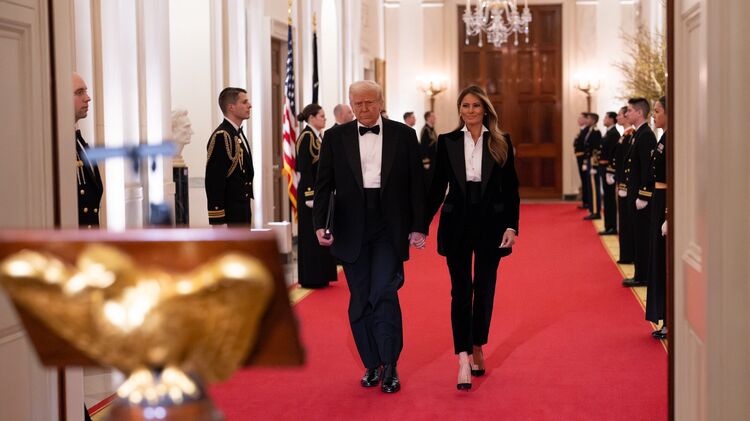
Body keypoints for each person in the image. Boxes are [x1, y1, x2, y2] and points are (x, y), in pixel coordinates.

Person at [313, 80, 426, 394]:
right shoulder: (335, 137)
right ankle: (371, 363)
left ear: (380, 102)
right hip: (351, 226)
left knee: (385, 292)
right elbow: (323, 185)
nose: (364, 109)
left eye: (369, 102)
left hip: (389, 226)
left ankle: (390, 364)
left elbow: (417, 184)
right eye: (358, 103)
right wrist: (320, 224)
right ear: (351, 104)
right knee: (361, 297)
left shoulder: (404, 135)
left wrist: (418, 225)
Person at [426, 85, 520, 391]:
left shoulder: (501, 141)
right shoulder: (447, 141)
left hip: (491, 223)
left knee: (485, 289)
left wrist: (511, 226)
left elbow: (511, 189)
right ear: (459, 110)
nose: (470, 110)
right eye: (465, 106)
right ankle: (463, 357)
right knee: (461, 291)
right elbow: (436, 186)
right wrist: (420, 225)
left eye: (476, 106)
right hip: (457, 222)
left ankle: (478, 343)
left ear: (485, 110)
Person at [295, 104, 338, 288]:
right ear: (311, 118)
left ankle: (323, 274)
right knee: (311, 236)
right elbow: (304, 169)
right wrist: (310, 195)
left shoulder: (317, 136)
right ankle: (312, 277)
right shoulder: (306, 137)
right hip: (310, 195)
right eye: (321, 115)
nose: (324, 118)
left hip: (320, 194)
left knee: (322, 232)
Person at [205, 87, 254, 226]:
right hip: (230, 214)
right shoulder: (222, 136)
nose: (249, 105)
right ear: (231, 107)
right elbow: (214, 180)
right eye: (244, 102)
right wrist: (218, 219)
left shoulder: (235, 133)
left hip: (241, 210)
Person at [622, 98, 657, 287]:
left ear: (639, 112)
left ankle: (642, 276)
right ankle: (640, 274)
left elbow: (648, 169)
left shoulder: (646, 136)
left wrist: (643, 194)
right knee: (637, 235)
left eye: (629, 110)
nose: (626, 114)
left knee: (642, 237)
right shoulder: (638, 134)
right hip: (634, 194)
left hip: (640, 198)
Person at [646, 96, 668, 339]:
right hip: (658, 199)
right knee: (658, 259)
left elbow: (675, 179)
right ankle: (663, 316)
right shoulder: (663, 138)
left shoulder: (673, 139)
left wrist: (670, 214)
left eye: (658, 111)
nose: (654, 115)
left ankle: (669, 320)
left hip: (666, 202)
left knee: (665, 262)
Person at [73, 72, 103, 229]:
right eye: (79, 93)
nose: (88, 98)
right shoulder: (60, 145)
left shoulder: (79, 142)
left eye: (85, 91)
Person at [610, 106, 635, 264]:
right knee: (623, 220)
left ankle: (628, 254)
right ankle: (625, 254)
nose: (617, 117)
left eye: (620, 115)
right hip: (620, 181)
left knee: (626, 221)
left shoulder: (630, 135)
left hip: (625, 183)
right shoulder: (624, 135)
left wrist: (623, 184)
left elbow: (627, 163)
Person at [598, 111, 620, 235]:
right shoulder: (608, 133)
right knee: (607, 198)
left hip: (608, 169)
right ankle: (608, 226)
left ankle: (611, 226)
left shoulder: (614, 134)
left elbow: (613, 155)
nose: (604, 119)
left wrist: (610, 171)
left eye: (606, 117)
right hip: (603, 167)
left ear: (612, 119)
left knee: (610, 198)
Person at [583, 112, 602, 220]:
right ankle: (592, 209)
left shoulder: (596, 132)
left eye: (589, 119)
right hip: (589, 161)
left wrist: (594, 166)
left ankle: (596, 211)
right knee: (590, 187)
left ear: (593, 120)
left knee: (594, 188)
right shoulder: (590, 131)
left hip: (593, 162)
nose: (587, 120)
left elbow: (596, 150)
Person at [573, 112, 589, 209]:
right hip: (579, 157)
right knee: (583, 180)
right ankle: (585, 201)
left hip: (583, 158)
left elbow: (586, 147)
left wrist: (585, 161)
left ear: (586, 119)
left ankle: (587, 202)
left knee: (586, 180)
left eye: (581, 118)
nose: (578, 120)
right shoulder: (582, 130)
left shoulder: (587, 131)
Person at [419, 111, 438, 190]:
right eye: (433, 116)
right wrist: (426, 161)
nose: (435, 118)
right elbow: (424, 146)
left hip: (433, 158)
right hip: (428, 160)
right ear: (428, 118)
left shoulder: (431, 129)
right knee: (428, 180)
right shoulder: (425, 130)